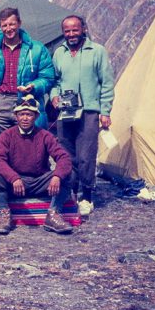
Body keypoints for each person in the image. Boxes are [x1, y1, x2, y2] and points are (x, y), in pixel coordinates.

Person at [50, 15, 115, 217]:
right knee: (66, 154)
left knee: (86, 155)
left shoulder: (97, 51)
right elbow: (55, 81)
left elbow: (106, 82)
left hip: (89, 110)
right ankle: (70, 193)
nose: (71, 34)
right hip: (67, 111)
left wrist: (105, 110)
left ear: (84, 29)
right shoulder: (58, 53)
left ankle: (86, 195)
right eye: (67, 31)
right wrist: (53, 96)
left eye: (75, 30)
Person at [0, 95, 73, 235]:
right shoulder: (7, 135)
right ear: (16, 116)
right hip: (16, 183)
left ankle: (53, 213)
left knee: (69, 173)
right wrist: (13, 178)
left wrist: (57, 176)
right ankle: (4, 213)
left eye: (29, 114)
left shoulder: (45, 135)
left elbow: (63, 157)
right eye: (21, 114)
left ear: (36, 116)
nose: (25, 118)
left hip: (39, 182)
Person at [0, 7, 55, 145]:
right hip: (0, 99)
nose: (8, 28)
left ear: (19, 23)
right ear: (0, 26)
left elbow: (48, 77)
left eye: (12, 24)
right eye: (4, 25)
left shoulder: (36, 49)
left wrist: (34, 86)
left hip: (27, 99)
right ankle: (4, 165)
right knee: (2, 145)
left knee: (29, 144)